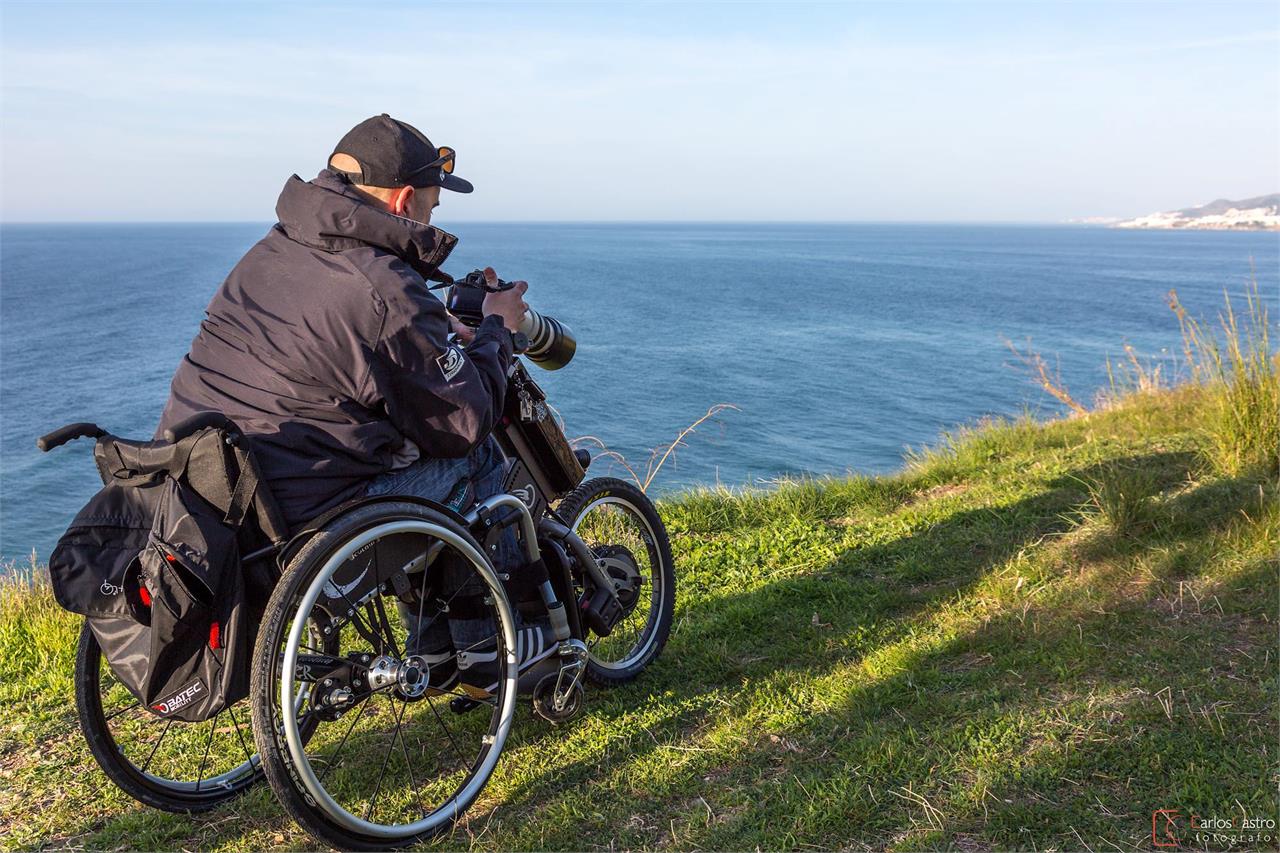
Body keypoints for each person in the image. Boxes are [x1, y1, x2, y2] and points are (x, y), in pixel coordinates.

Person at [157, 114, 544, 688]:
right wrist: (495, 331)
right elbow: (461, 417)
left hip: (210, 497)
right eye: (433, 209)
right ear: (406, 200)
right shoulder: (382, 284)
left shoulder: (275, 249)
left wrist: (425, 326)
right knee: (475, 456)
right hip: (300, 520)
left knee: (407, 451)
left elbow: (331, 340)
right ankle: (495, 646)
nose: (432, 219)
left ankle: (433, 647)